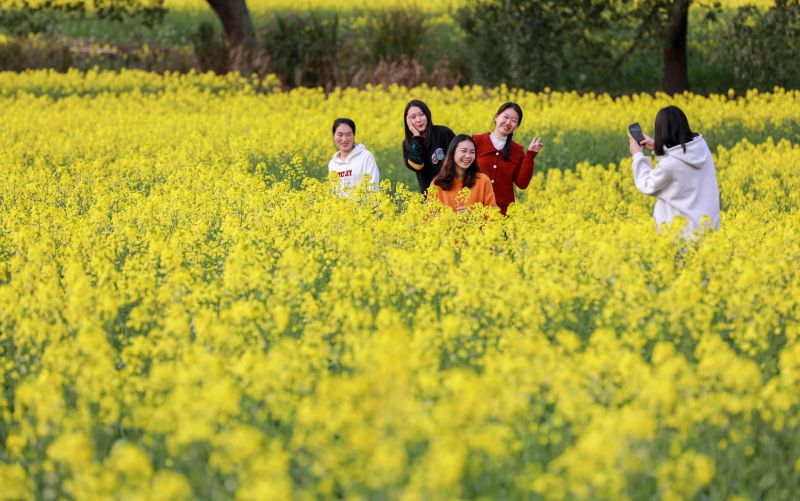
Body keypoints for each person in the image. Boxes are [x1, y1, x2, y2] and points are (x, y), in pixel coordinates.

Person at [629, 105, 720, 236]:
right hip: (707, 231)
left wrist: (637, 155)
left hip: (681, 236)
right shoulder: (701, 146)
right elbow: (681, 159)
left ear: (661, 132)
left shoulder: (670, 165)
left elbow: (647, 185)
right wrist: (658, 147)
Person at [472, 102, 542, 215]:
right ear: (496, 117)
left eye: (514, 121)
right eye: (506, 117)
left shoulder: (517, 151)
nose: (508, 122)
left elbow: (522, 184)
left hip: (502, 213)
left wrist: (530, 155)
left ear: (517, 126)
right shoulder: (476, 141)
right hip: (474, 211)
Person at [432, 134, 497, 211]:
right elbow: (428, 218)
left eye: (472, 152)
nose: (468, 156)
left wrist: (473, 216)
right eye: (464, 151)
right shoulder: (437, 183)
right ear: (453, 152)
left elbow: (493, 216)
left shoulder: (483, 180)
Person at [402, 100, 455, 193]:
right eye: (413, 117)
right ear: (407, 121)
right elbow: (418, 166)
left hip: (452, 191)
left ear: (427, 115)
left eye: (421, 114)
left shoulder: (444, 133)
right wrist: (416, 137)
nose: (418, 120)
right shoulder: (408, 144)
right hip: (429, 197)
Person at [328, 118, 380, 192]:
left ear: (354, 135)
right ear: (333, 136)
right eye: (340, 135)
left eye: (349, 134)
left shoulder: (366, 157)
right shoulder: (332, 164)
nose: (344, 139)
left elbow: (373, 186)